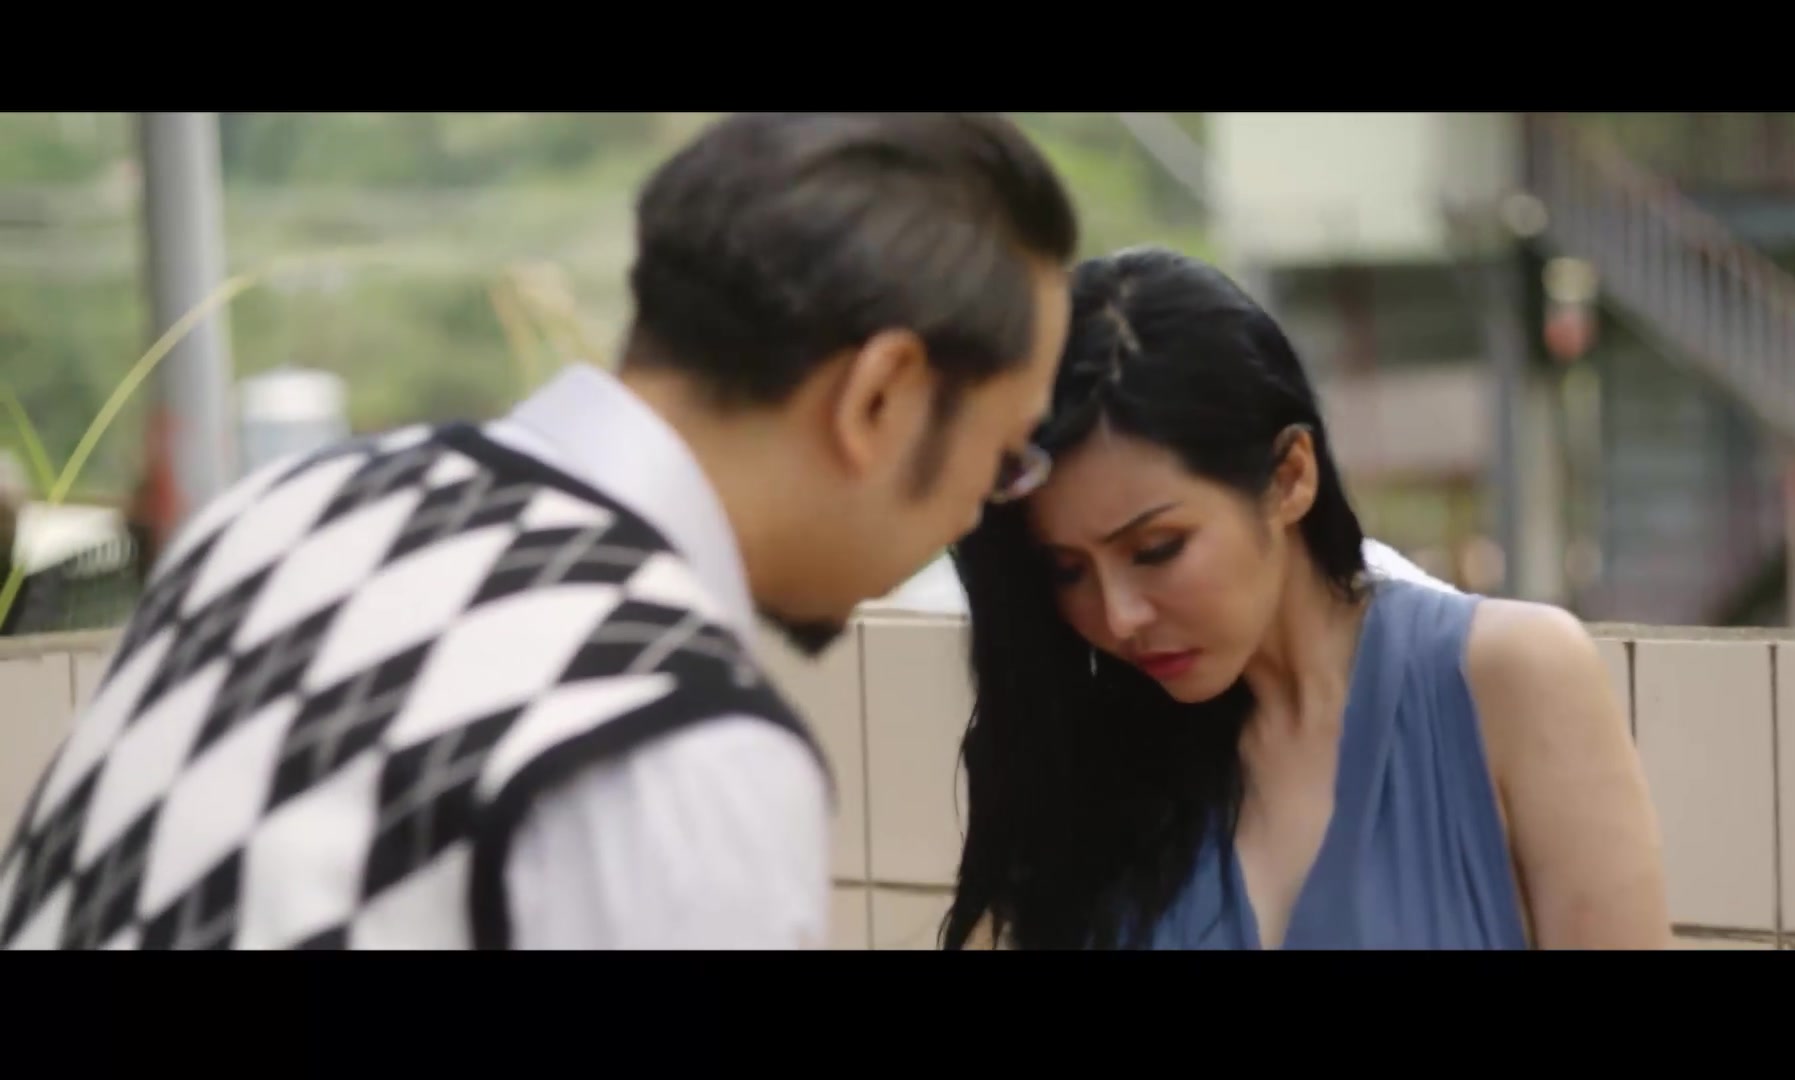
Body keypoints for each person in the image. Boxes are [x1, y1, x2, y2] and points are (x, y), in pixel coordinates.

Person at [0, 112, 1078, 950]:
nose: (977, 513)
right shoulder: (671, 741)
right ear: (881, 395)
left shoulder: (282, 514)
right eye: (1002, 456)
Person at [940, 246, 1669, 950]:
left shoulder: (1511, 678)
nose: (1119, 615)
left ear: (1290, 477)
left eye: (1157, 549)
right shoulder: (1083, 755)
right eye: (1068, 570)